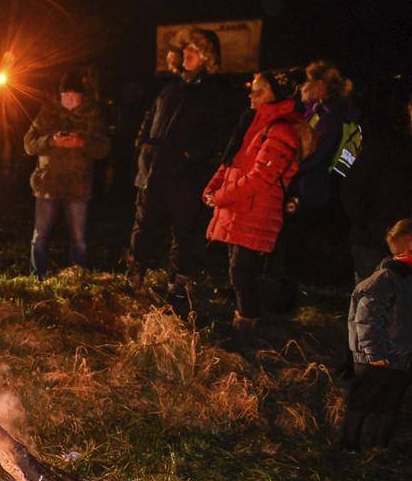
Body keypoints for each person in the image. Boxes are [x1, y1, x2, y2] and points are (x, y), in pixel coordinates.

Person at [128, 27, 231, 316]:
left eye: (194, 51)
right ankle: (135, 272)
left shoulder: (214, 92)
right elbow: (150, 117)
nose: (187, 55)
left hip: (185, 176)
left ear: (207, 56)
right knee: (144, 223)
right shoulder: (170, 87)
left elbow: (219, 134)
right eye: (185, 50)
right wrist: (143, 145)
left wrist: (191, 156)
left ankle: (178, 283)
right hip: (153, 169)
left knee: (184, 231)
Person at [203, 69, 308, 345]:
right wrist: (212, 187)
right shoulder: (252, 123)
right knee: (236, 269)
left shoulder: (282, 130)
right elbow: (232, 161)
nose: (251, 95)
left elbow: (261, 178)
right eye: (252, 89)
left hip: (255, 210)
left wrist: (222, 196)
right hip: (239, 207)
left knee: (242, 271)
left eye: (259, 91)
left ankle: (247, 330)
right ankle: (243, 321)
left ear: (275, 96)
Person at [272, 61, 359, 311]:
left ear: (320, 85)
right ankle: (287, 292)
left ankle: (288, 299)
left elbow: (319, 154)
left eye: (308, 81)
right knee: (293, 239)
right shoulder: (316, 110)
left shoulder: (330, 115)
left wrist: (290, 171)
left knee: (295, 241)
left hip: (310, 187)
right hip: (307, 183)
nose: (302, 86)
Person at [23, 71, 111, 280]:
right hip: (47, 185)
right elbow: (28, 144)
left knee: (78, 237)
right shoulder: (47, 115)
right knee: (40, 236)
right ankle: (38, 276)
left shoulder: (92, 116)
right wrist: (51, 141)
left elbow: (104, 147)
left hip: (78, 186)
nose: (70, 99)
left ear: (82, 96)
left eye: (74, 95)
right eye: (66, 95)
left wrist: (83, 143)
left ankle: (76, 276)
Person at [342, 219, 412, 451]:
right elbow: (367, 318)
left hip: (402, 357)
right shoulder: (385, 279)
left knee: (391, 403)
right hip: (378, 357)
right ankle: (349, 445)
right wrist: (375, 352)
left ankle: (379, 447)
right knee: (363, 400)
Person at [342, 93, 412, 281]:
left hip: (385, 239)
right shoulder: (380, 149)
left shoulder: (378, 148)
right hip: (375, 241)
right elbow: (352, 191)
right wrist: (371, 227)